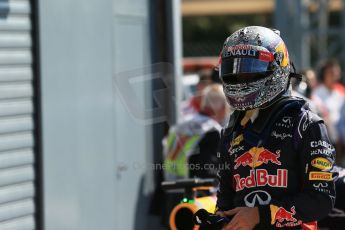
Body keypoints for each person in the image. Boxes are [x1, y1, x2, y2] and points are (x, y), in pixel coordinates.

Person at [215, 26, 337, 230]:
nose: (240, 81)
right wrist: (219, 221)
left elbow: (321, 199)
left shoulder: (305, 124)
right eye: (235, 73)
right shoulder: (231, 130)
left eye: (249, 72)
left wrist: (260, 215)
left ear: (278, 67)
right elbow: (226, 202)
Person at [163, 83, 228, 180]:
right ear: (222, 107)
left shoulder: (181, 124)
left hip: (168, 186)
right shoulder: (212, 130)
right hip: (192, 190)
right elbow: (208, 172)